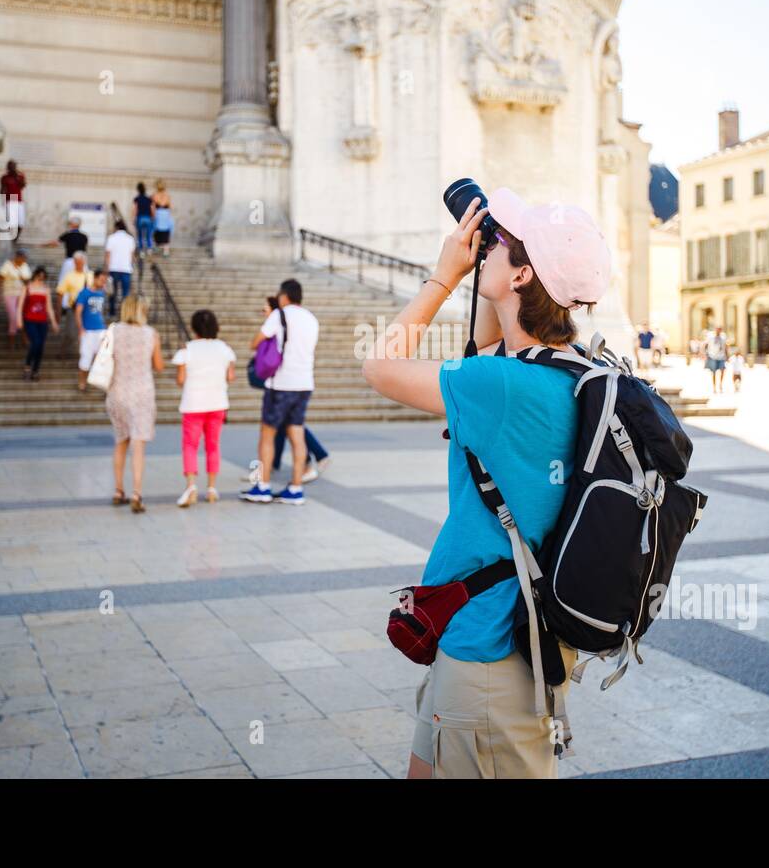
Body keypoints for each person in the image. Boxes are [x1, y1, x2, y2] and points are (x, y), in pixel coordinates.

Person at [363, 188, 610, 780]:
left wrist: (444, 277)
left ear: (522, 273)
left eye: (499, 242)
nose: (484, 244)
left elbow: (380, 366)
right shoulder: (565, 366)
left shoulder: (501, 385)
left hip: (488, 655)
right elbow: (485, 344)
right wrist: (489, 267)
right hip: (501, 635)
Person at [240, 279, 319, 505]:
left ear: (284, 296)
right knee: (297, 435)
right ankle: (296, 488)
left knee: (267, 435)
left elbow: (256, 342)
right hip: (304, 383)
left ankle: (262, 486)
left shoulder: (279, 315)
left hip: (281, 383)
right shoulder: (311, 319)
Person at [172, 309, 236, 506]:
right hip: (217, 403)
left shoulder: (186, 351)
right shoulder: (225, 349)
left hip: (193, 404)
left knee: (190, 445)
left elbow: (181, 379)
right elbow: (230, 377)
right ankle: (211, 488)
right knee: (213, 445)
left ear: (194, 328)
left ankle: (191, 485)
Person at [107, 296, 164, 513]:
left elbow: (105, 357)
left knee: (121, 440)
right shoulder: (150, 334)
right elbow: (158, 365)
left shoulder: (112, 331)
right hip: (141, 393)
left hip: (117, 391)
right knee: (138, 444)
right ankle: (137, 492)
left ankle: (118, 489)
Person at [18, 266, 57, 382]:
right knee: (36, 342)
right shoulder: (27, 287)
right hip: (30, 319)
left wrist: (54, 322)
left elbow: (49, 307)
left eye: (43, 278)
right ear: (34, 276)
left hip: (42, 321)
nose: (40, 280)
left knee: (41, 346)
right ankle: (27, 366)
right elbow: (20, 306)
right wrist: (19, 320)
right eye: (38, 277)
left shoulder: (46, 289)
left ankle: (35, 370)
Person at [74, 269, 109, 392]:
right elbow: (78, 312)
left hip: (101, 330)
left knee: (103, 359)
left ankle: (100, 384)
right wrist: (80, 329)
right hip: (88, 331)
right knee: (85, 358)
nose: (103, 282)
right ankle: (82, 383)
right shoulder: (84, 293)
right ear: (94, 278)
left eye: (105, 280)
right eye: (101, 279)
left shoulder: (102, 293)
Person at [0, 249, 32, 349]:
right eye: (23, 258)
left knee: (22, 316)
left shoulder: (25, 266)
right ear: (17, 257)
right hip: (9, 293)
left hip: (22, 294)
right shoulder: (7, 265)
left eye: (25, 258)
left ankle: (24, 337)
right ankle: (12, 339)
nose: (24, 260)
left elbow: (28, 282)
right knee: (13, 317)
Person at [56, 251, 92, 351]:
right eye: (76, 262)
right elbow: (60, 293)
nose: (78, 264)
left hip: (87, 309)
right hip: (73, 309)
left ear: (84, 262)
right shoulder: (69, 276)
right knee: (70, 333)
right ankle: (63, 350)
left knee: (87, 333)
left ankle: (83, 355)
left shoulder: (90, 275)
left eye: (80, 262)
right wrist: (58, 312)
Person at [104, 219, 137, 317]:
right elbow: (132, 256)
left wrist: (106, 268)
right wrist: (132, 266)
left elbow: (108, 255)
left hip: (113, 268)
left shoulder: (111, 238)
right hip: (126, 269)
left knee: (112, 292)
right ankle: (124, 314)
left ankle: (112, 312)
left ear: (116, 227)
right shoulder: (130, 239)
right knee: (125, 294)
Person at [57, 217, 89, 288]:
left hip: (70, 261)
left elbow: (56, 243)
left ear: (72, 224)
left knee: (64, 281)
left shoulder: (67, 235)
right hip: (81, 261)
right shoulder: (84, 236)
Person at [0, 160, 27, 240]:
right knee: (11, 222)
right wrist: (2, 201)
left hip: (18, 200)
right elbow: (2, 190)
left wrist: (19, 177)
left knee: (21, 222)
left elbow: (23, 186)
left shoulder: (20, 176)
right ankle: (10, 237)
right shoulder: (5, 178)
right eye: (10, 166)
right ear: (8, 167)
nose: (12, 168)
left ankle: (16, 238)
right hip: (10, 200)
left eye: (14, 166)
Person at [152, 179, 174, 257]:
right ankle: (166, 251)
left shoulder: (154, 195)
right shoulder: (167, 195)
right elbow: (170, 207)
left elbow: (153, 207)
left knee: (157, 231)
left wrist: (153, 216)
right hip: (165, 214)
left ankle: (158, 247)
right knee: (166, 232)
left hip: (158, 214)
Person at [704, 326, 728, 392]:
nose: (718, 331)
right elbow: (705, 345)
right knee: (714, 372)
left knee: (723, 370)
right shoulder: (710, 336)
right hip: (713, 356)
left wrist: (727, 356)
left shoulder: (723, 337)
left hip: (721, 356)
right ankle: (714, 387)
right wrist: (705, 354)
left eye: (720, 330)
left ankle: (720, 384)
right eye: (717, 330)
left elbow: (726, 346)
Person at [133, 182, 155, 254]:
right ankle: (149, 249)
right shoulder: (148, 199)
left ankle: (141, 250)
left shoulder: (137, 198)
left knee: (140, 235)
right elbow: (151, 208)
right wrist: (152, 217)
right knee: (148, 234)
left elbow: (136, 209)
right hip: (148, 218)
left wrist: (134, 218)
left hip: (140, 217)